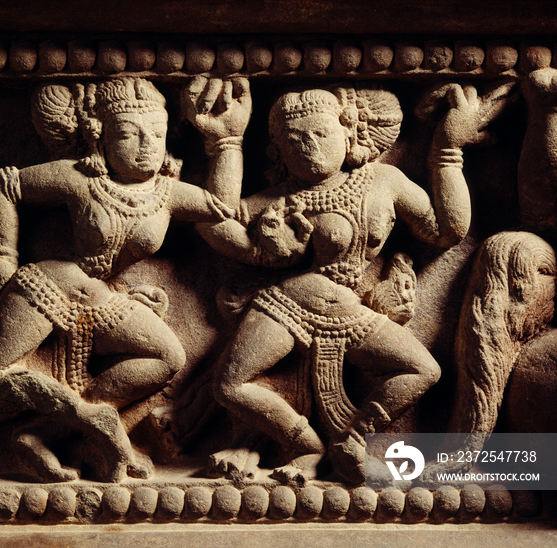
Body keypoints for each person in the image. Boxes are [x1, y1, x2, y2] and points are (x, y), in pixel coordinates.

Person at [186, 79, 512, 483]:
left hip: (346, 306)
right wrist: (227, 144)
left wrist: (447, 151)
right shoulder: (279, 199)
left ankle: (356, 437)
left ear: (349, 131)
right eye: (293, 139)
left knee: (423, 369)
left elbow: (448, 230)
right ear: (278, 150)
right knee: (229, 385)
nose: (309, 145)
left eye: (321, 132)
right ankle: (304, 443)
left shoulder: (382, 181)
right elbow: (216, 222)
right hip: (287, 301)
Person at [0, 78, 248, 482]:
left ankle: (43, 435)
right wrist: (2, 256)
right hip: (49, 285)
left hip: (102, 298)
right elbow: (4, 187)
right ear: (100, 137)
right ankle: (101, 427)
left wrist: (226, 142)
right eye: (129, 133)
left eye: (157, 133)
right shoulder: (80, 178)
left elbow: (224, 210)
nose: (146, 143)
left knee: (167, 358)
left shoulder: (167, 192)